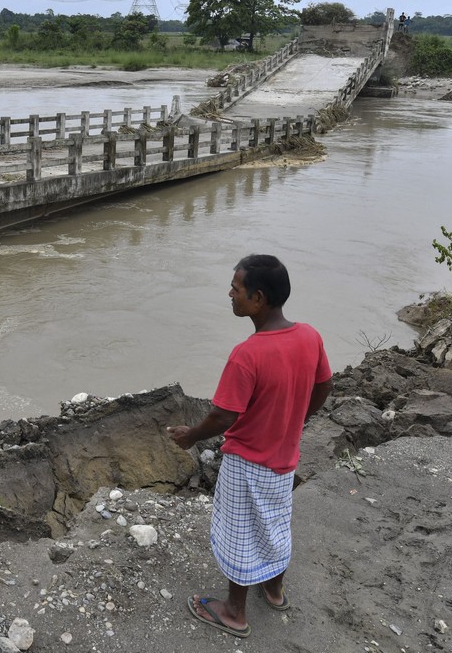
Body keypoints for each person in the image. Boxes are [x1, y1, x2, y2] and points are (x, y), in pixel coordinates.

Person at [167, 254, 332, 638]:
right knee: (275, 523)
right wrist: (296, 418)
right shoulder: (309, 336)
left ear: (258, 298)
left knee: (240, 533)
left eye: (236, 288)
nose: (230, 293)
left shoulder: (248, 354)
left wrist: (190, 435)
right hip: (284, 459)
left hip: (247, 461)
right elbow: (325, 385)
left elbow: (224, 416)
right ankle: (274, 591)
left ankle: (234, 613)